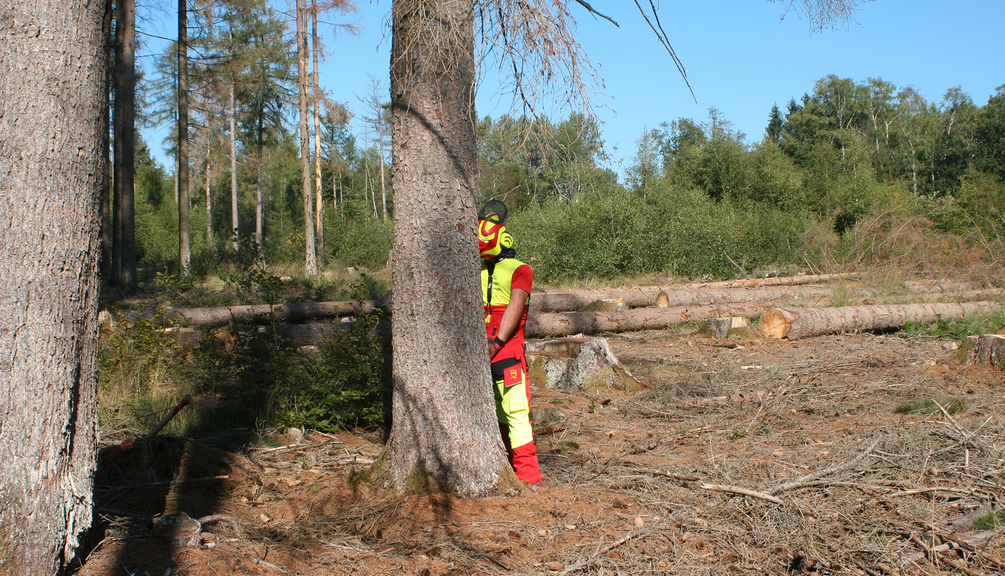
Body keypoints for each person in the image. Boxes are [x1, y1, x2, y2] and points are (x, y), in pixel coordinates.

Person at [478, 200, 547, 487]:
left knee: (501, 411)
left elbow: (511, 307)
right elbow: (515, 308)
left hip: (487, 351)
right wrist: (497, 343)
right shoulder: (521, 269)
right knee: (516, 413)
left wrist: (491, 343)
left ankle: (516, 471)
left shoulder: (481, 270)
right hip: (506, 351)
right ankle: (528, 477)